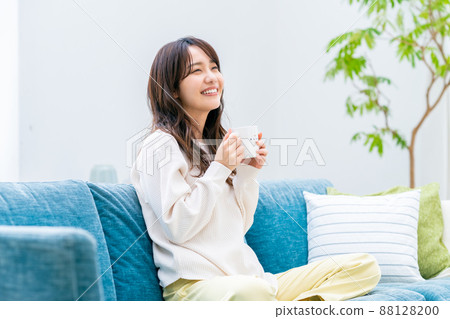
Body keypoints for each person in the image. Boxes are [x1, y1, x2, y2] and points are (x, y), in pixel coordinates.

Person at [130, 36, 381, 301]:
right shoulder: (159, 146)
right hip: (196, 288)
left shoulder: (212, 145)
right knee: (252, 292)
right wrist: (221, 168)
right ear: (173, 88)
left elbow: (240, 226)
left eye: (214, 67)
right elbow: (177, 226)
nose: (212, 77)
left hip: (252, 282)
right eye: (197, 70)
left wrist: (247, 175)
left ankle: (271, 306)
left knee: (363, 267)